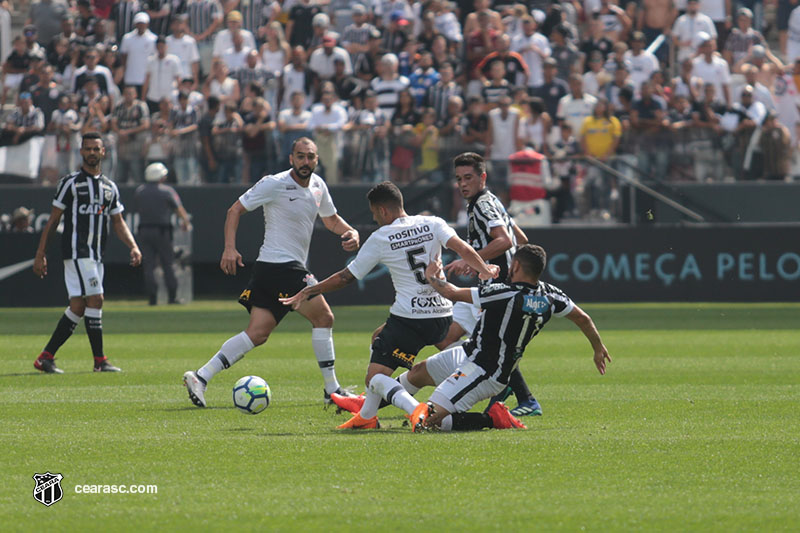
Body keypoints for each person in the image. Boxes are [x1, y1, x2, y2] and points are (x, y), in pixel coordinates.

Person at [280, 181, 499, 430]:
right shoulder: (434, 223)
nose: (375, 219)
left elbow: (345, 277)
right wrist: (485, 271)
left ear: (383, 211)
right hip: (441, 317)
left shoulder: (381, 237)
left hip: (410, 319)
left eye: (374, 214)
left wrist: (310, 289)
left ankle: (415, 410)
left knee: (376, 378)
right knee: (379, 340)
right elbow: (463, 248)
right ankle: (367, 417)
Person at [183, 137, 361, 407]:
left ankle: (201, 376)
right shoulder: (274, 183)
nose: (305, 162)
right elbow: (235, 210)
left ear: (316, 159)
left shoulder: (318, 185)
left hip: (271, 269)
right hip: (282, 267)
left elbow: (330, 219)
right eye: (300, 156)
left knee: (257, 333)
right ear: (291, 158)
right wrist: (229, 249)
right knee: (324, 318)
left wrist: (351, 231)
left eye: (310, 157)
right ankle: (332, 389)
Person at [400, 244, 611, 432]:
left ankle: (492, 419)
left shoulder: (506, 294)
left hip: (485, 371)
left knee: (428, 420)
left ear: (516, 265)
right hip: (470, 353)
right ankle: (369, 407)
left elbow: (453, 293)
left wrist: (431, 276)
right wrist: (598, 348)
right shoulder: (551, 296)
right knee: (417, 372)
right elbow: (583, 318)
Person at [32, 132, 142, 374]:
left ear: (103, 152)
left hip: (96, 254)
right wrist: (40, 253)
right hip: (77, 251)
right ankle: (100, 361)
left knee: (78, 306)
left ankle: (46, 357)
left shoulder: (109, 187)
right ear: (81, 152)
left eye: (96, 149)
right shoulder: (70, 183)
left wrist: (133, 245)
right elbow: (53, 220)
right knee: (97, 298)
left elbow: (118, 221)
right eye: (88, 149)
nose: (92, 152)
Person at [135, 162, 192, 305]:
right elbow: (179, 209)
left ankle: (152, 298)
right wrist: (185, 222)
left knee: (149, 265)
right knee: (168, 263)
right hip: (162, 232)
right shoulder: (167, 191)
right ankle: (172, 297)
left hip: (144, 230)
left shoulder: (140, 191)